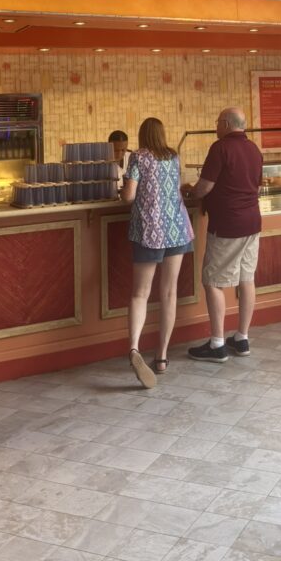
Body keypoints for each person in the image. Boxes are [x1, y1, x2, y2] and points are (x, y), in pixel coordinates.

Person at [182, 107, 263, 362]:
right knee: (246, 278)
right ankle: (242, 338)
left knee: (213, 281)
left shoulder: (220, 148)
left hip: (228, 225)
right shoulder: (254, 149)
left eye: (217, 121)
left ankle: (217, 343)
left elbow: (204, 187)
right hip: (252, 223)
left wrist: (190, 192)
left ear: (226, 124)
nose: (216, 126)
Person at [121, 118, 194, 388]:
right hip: (176, 228)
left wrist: (125, 187)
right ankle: (162, 357)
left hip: (149, 231)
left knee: (141, 293)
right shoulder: (173, 156)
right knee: (169, 292)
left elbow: (129, 196)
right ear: (162, 135)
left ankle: (134, 348)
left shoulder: (138, 157)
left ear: (141, 136)